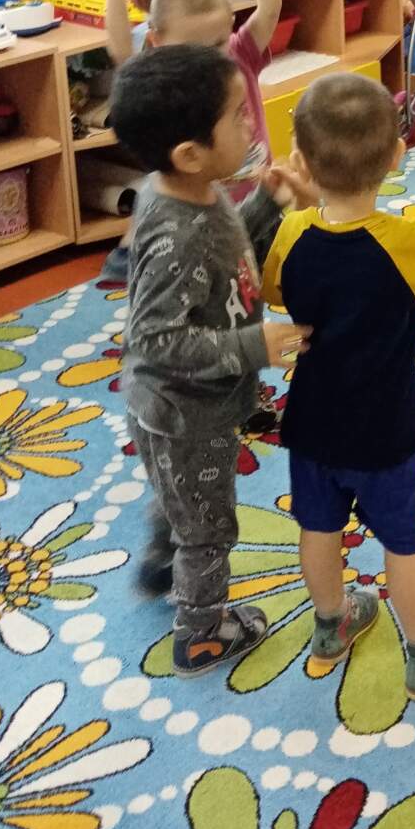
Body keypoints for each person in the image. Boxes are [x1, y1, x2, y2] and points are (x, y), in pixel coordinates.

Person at [262, 77, 415, 701]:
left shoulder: (291, 232)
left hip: (311, 421)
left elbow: (276, 290)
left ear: (302, 160)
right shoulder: (407, 242)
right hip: (386, 429)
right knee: (403, 544)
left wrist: (303, 206)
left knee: (317, 527)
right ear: (396, 157)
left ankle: (331, 624)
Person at [110, 45, 311, 676]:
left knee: (178, 496)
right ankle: (200, 634)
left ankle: (160, 560)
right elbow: (156, 339)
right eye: (237, 115)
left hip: (174, 407)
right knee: (208, 527)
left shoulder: (190, 189)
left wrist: (265, 204)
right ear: (190, 153)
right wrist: (256, 345)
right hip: (185, 414)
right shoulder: (178, 232)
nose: (251, 121)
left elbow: (222, 256)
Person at [96, 0, 281, 287]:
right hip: (192, 211)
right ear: (157, 41)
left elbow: (270, 11)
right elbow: (120, 48)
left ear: (230, 24)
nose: (210, 56)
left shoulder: (239, 54)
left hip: (255, 201)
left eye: (218, 41)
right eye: (194, 47)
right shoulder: (163, 76)